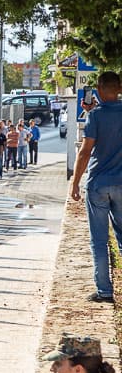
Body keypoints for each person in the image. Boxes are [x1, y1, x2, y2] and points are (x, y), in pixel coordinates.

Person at [71, 71, 122, 303]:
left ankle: (104, 291)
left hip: (98, 184)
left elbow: (85, 152)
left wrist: (75, 183)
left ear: (99, 91)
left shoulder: (95, 116)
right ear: (119, 88)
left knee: (99, 240)